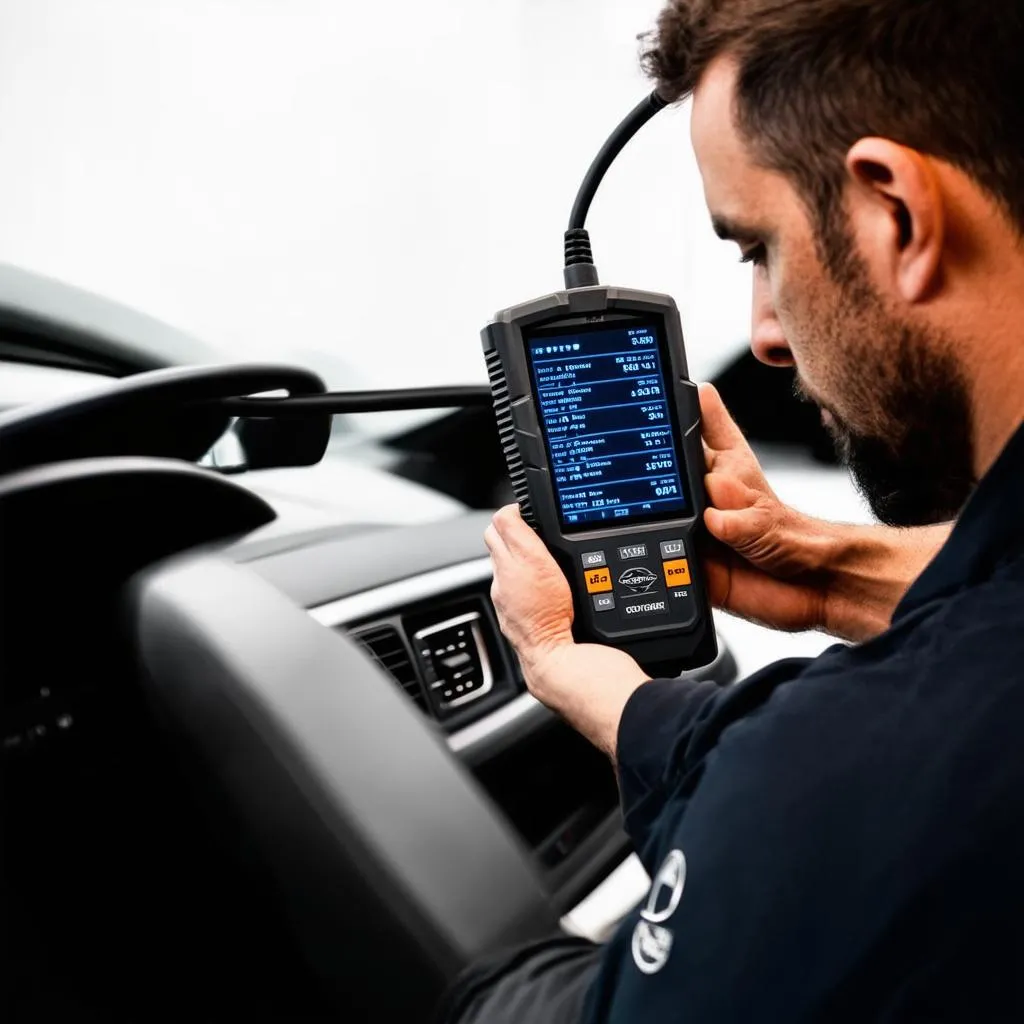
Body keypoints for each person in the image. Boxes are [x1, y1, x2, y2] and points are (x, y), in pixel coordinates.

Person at [437, 0, 1024, 1020]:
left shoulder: (843, 773)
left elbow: (842, 780)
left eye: (757, 248)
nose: (761, 333)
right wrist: (844, 572)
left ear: (895, 212)